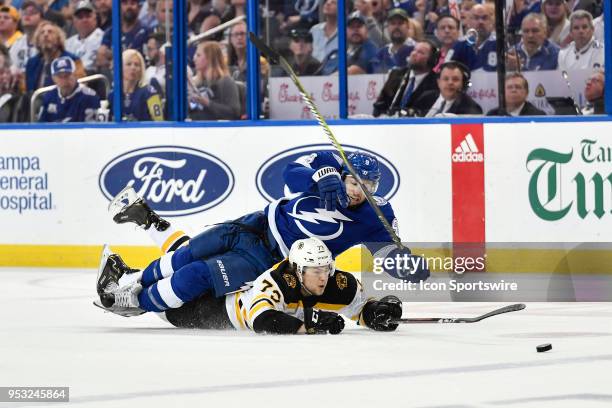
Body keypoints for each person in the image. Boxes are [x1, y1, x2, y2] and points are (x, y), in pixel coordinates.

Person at [102, 151, 429, 315]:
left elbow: (385, 252)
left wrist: (404, 266)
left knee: (198, 274)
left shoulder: (379, 214)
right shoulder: (330, 163)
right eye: (355, 182)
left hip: (272, 258)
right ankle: (131, 284)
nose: (359, 192)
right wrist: (323, 175)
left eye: (368, 187)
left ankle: (139, 304)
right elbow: (290, 172)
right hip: (255, 223)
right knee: (188, 253)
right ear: (345, 175)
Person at [95, 237, 404, 335]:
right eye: (314, 271)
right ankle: (131, 298)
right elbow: (263, 320)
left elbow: (359, 308)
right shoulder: (275, 281)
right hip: (209, 310)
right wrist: (310, 323)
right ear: (297, 270)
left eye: (326, 269)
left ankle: (128, 273)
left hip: (226, 295)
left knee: (191, 262)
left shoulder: (339, 284)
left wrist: (375, 314)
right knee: (174, 297)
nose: (322, 277)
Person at [373, 40, 439, 117]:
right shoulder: (396, 74)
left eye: (420, 52)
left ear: (431, 60)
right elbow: (380, 104)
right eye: (414, 50)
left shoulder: (436, 82)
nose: (414, 54)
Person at [25, 21, 86, 92]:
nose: (46, 35)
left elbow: (81, 86)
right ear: (38, 41)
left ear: (58, 39)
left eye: (50, 32)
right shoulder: (32, 63)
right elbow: (27, 89)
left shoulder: (72, 60)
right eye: (42, 33)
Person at [37, 56, 100, 122]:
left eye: (67, 75)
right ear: (53, 78)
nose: (64, 80)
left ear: (75, 74)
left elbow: (90, 128)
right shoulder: (49, 97)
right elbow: (41, 125)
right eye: (60, 76)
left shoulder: (89, 97)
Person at [188, 41, 240, 120]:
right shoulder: (197, 83)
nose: (194, 58)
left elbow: (234, 113)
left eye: (198, 55)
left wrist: (207, 103)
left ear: (210, 58)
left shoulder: (226, 82)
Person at [109, 49, 163, 121]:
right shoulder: (113, 94)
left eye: (137, 65)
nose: (133, 68)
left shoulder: (150, 93)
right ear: (120, 68)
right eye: (128, 64)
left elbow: (159, 121)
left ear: (141, 69)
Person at [412, 61, 483, 117]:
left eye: (455, 79)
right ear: (438, 82)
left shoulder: (471, 108)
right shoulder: (425, 98)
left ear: (463, 84)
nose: (450, 83)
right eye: (445, 79)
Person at [96, 0, 150, 72]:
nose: (129, 7)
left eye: (132, 3)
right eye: (125, 3)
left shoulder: (146, 32)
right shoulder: (110, 32)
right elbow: (101, 57)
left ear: (139, 7)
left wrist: (113, 55)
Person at [448, 4, 497, 72]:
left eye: (485, 18)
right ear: (469, 22)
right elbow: (447, 69)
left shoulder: (500, 43)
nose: (480, 22)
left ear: (492, 21)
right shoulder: (460, 45)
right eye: (476, 18)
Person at [65, 0, 104, 73]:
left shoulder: (103, 38)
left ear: (95, 18)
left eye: (88, 16)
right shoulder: (67, 43)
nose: (84, 20)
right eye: (80, 17)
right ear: (74, 21)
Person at [372, 8, 414, 73]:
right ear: (387, 27)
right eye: (393, 23)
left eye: (400, 23)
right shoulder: (381, 53)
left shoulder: (416, 49)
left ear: (408, 26)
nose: (396, 27)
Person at [9, 1, 42, 79]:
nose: (27, 15)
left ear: (42, 18)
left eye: (33, 12)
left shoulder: (47, 41)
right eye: (24, 13)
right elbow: (11, 65)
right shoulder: (17, 43)